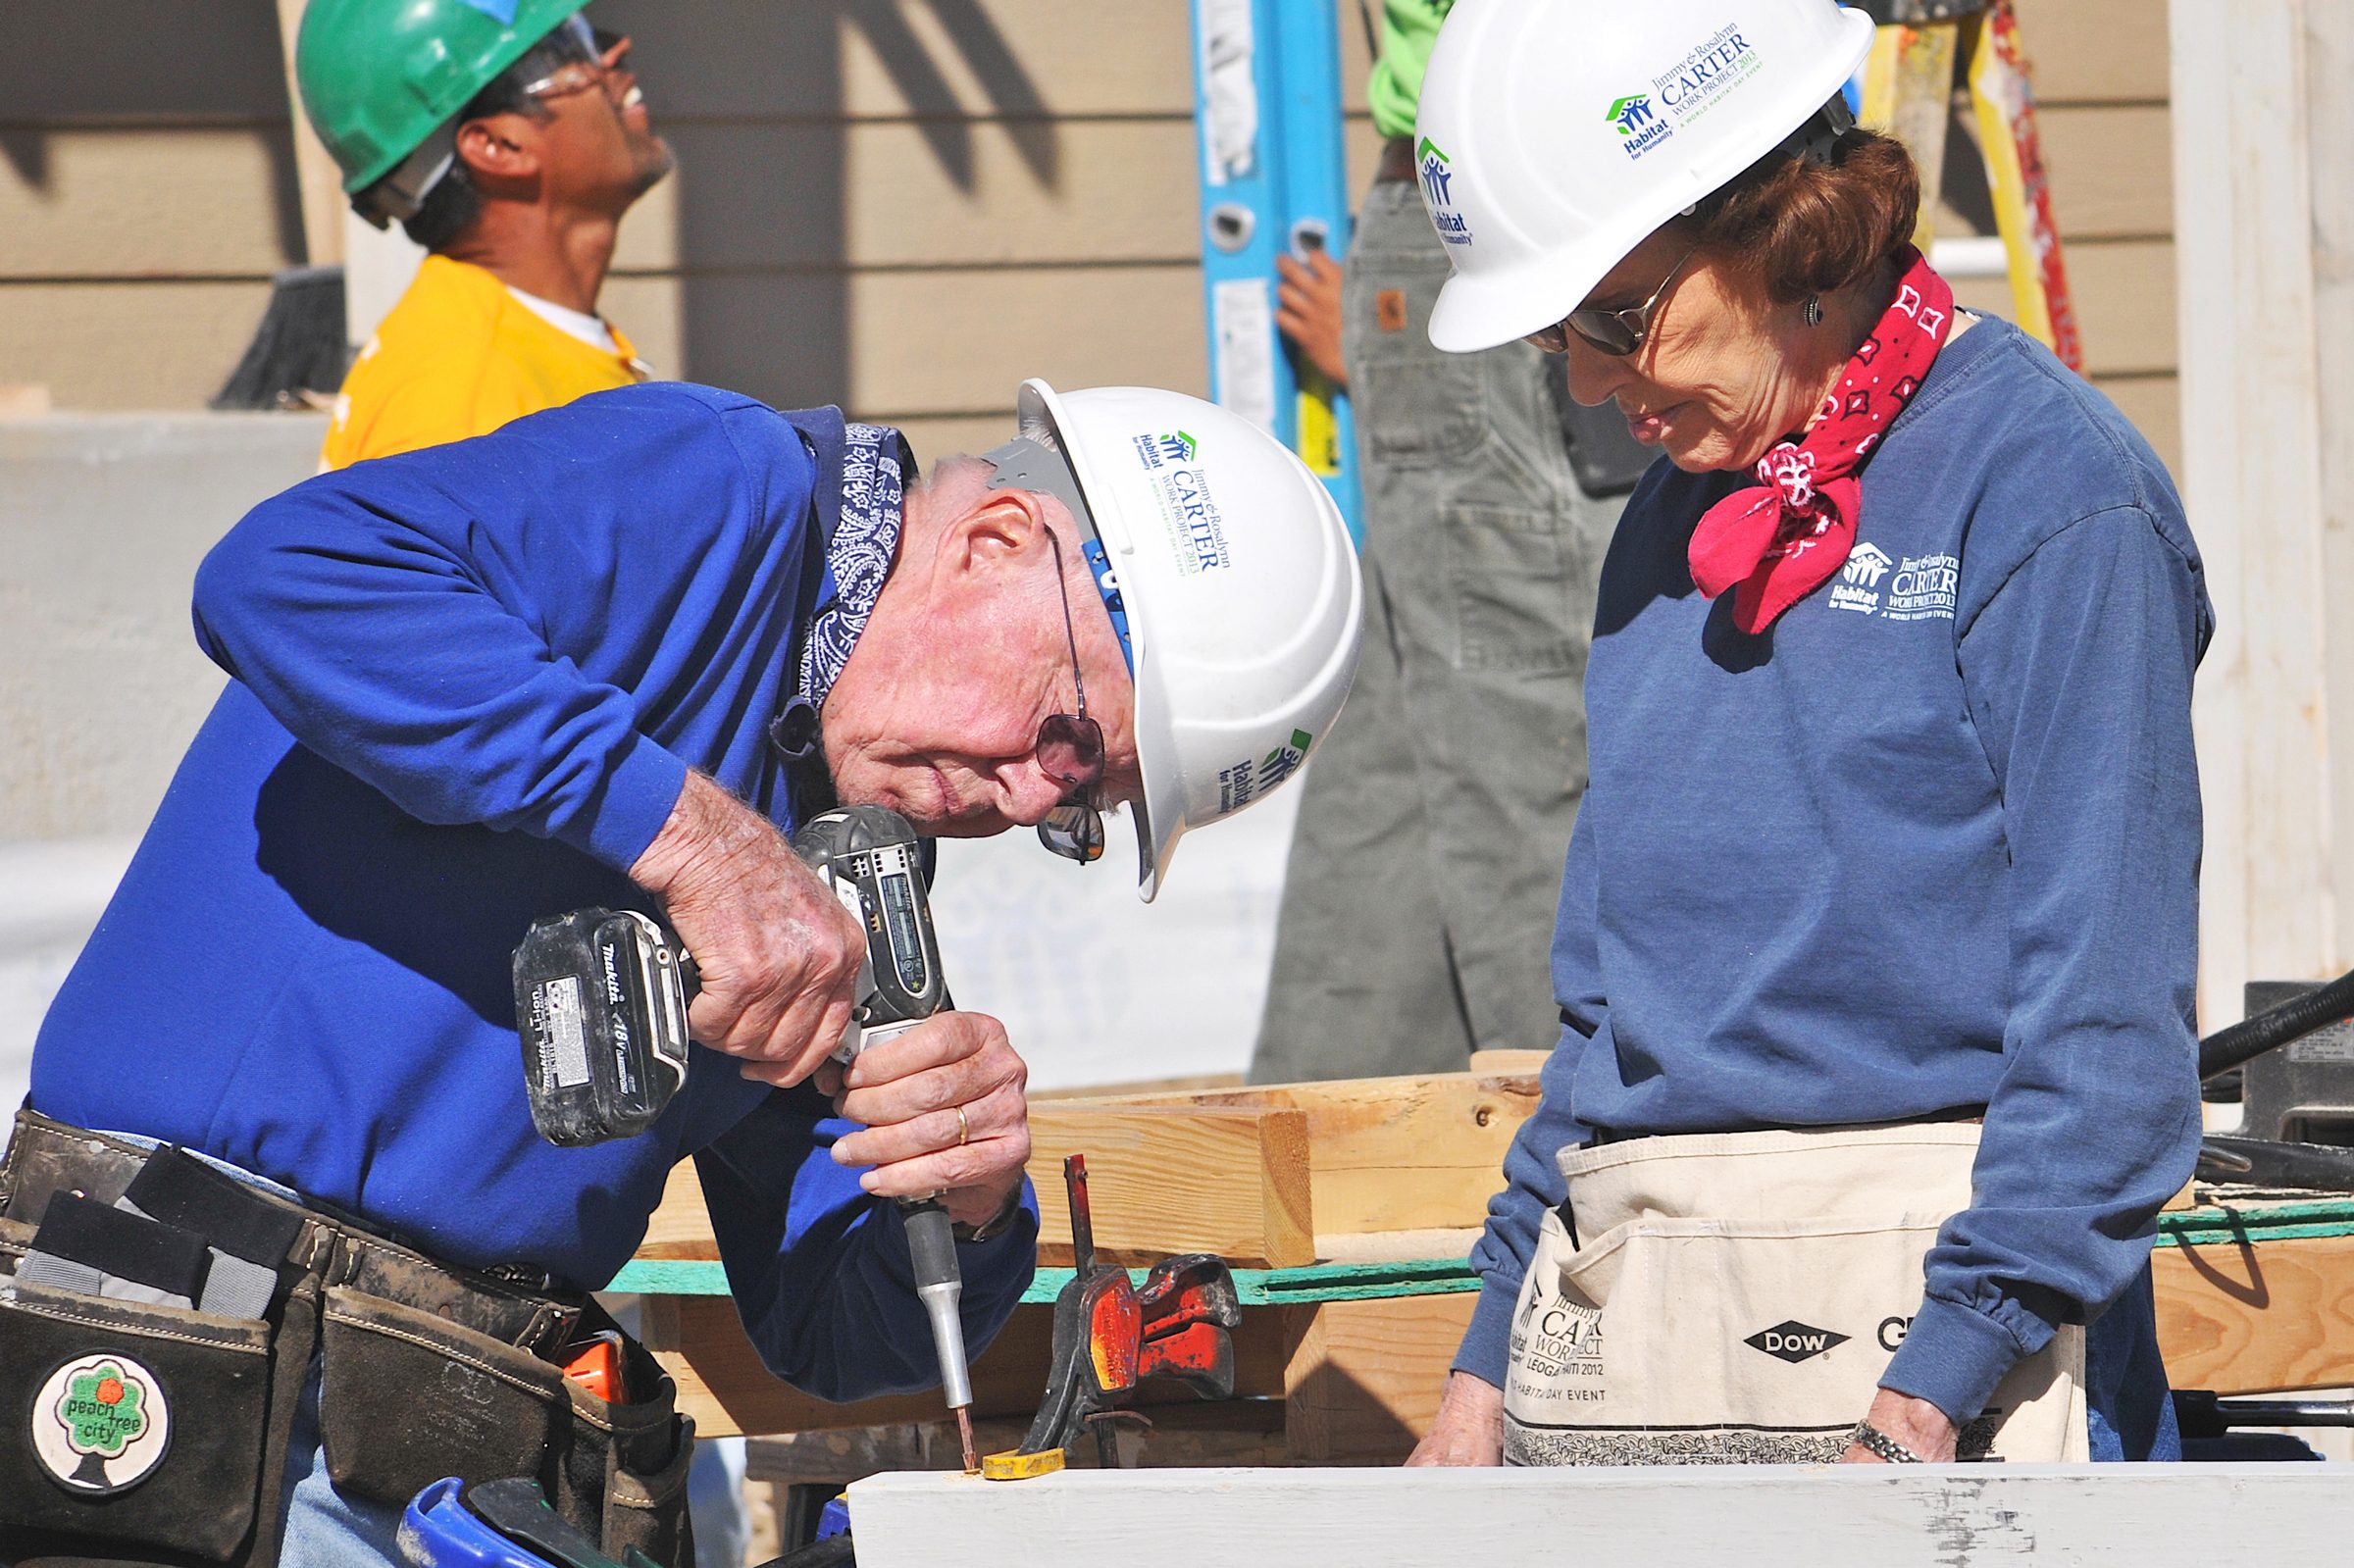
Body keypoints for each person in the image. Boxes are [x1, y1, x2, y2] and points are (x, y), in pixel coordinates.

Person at [4, 379, 1360, 1563]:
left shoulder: (848, 850)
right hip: (195, 1363)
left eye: (1075, 804)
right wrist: (696, 840)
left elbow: (833, 1330)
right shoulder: (724, 491)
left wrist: (966, 1189)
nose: (1017, 797)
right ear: (998, 542)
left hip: (437, 1431)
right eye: (1065, 734)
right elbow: (288, 570)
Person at [1406, 0, 2206, 1469]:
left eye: (1611, 318)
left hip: (1953, 1359)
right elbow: (1611, 1013)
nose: (1589, 383)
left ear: (1784, 228)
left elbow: (2104, 1026)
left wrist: (1934, 1384)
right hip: (1657, 1313)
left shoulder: (2049, 495)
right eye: (1554, 337)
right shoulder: (1673, 519)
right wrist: (1481, 1371)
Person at [1249, 0, 1638, 1084]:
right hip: (1524, 192)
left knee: (1429, 728)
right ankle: (1588, 1142)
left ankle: (1326, 1150)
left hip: (1482, 199)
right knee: (1536, 733)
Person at [295, 0, 673, 469]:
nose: (615, 50)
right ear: (498, 147)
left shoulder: (511, 349)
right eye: (563, 48)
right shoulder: (457, 403)